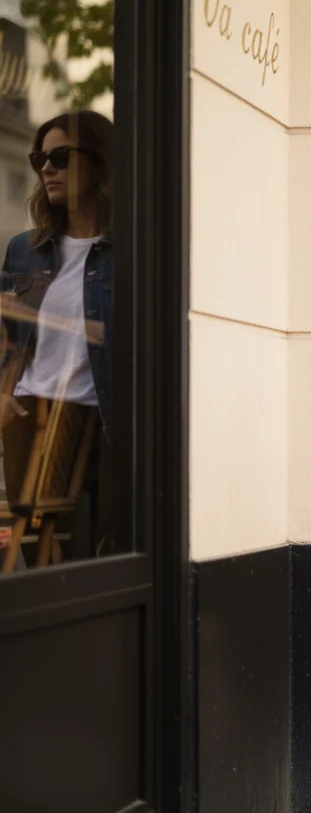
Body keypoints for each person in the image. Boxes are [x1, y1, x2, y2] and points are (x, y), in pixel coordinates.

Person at [0, 111, 116, 563]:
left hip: (100, 429)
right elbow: (7, 338)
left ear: (100, 162)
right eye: (40, 159)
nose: (47, 168)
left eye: (61, 157)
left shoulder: (127, 251)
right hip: (32, 420)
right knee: (42, 561)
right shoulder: (23, 250)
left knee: (99, 561)